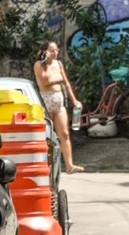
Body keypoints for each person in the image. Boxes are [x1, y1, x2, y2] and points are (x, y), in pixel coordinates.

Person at [34, 40, 83, 174]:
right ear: (45, 52)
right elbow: (45, 80)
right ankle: (47, 166)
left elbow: (66, 83)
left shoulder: (59, 63)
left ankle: (69, 165)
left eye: (56, 50)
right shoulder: (39, 65)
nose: (55, 53)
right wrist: (50, 68)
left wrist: (74, 100)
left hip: (59, 100)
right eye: (52, 51)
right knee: (49, 136)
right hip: (46, 100)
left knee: (65, 134)